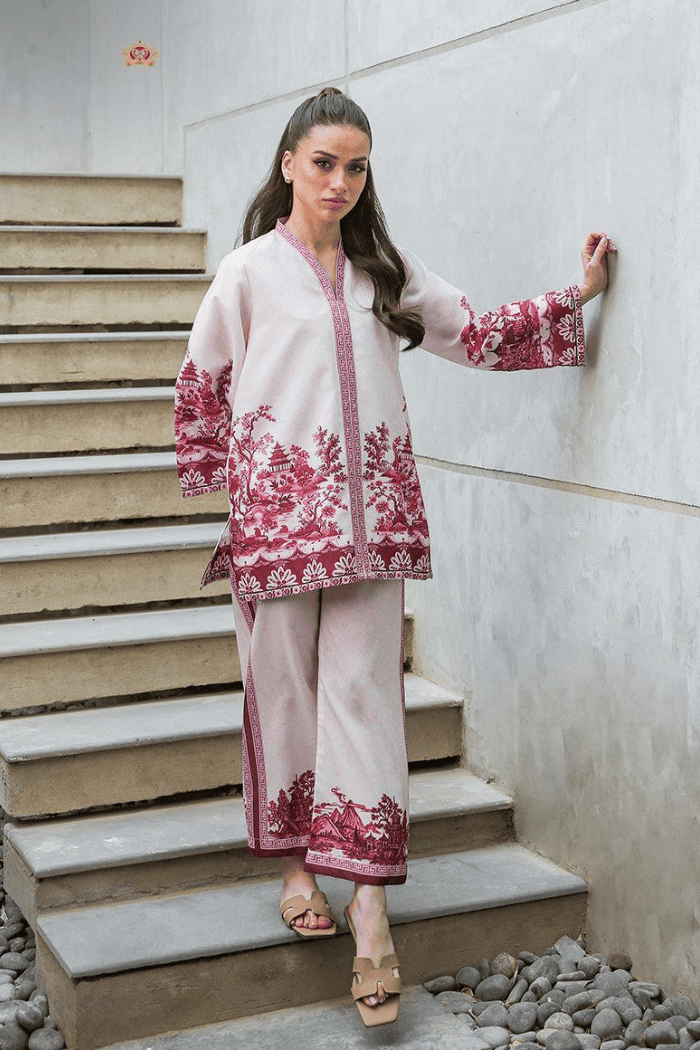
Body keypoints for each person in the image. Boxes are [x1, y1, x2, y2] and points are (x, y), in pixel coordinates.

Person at [174, 86, 615, 1027]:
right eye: (324, 162)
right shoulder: (246, 274)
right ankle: (298, 864)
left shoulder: (383, 267)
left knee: (368, 705)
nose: (340, 181)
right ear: (289, 162)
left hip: (378, 527)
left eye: (357, 166)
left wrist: (573, 299)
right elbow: (202, 384)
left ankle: (370, 912)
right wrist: (245, 493)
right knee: (283, 694)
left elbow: (475, 332)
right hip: (279, 533)